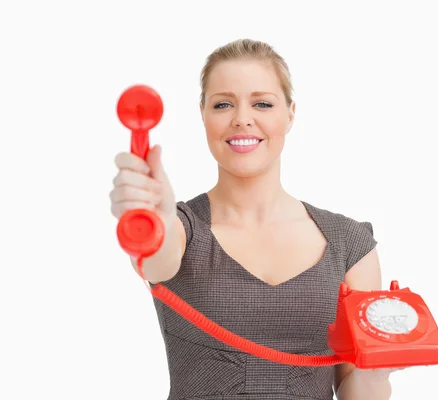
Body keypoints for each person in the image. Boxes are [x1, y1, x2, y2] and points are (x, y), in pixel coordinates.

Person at [110, 38, 397, 400]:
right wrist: (156, 217)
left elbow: (357, 388)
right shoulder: (180, 228)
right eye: (223, 104)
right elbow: (157, 258)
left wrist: (377, 373)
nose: (242, 118)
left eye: (262, 103)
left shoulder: (349, 244)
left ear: (290, 114)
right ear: (203, 114)